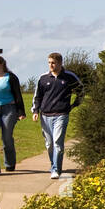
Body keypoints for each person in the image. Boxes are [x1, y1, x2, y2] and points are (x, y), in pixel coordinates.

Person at [32, 52, 84, 180]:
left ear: (60, 63)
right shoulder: (43, 78)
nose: (51, 65)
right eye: (49, 62)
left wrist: (74, 105)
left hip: (61, 114)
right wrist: (35, 111)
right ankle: (53, 164)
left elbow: (81, 91)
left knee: (57, 143)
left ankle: (56, 169)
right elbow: (37, 96)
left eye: (53, 63)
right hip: (45, 115)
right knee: (49, 144)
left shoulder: (69, 77)